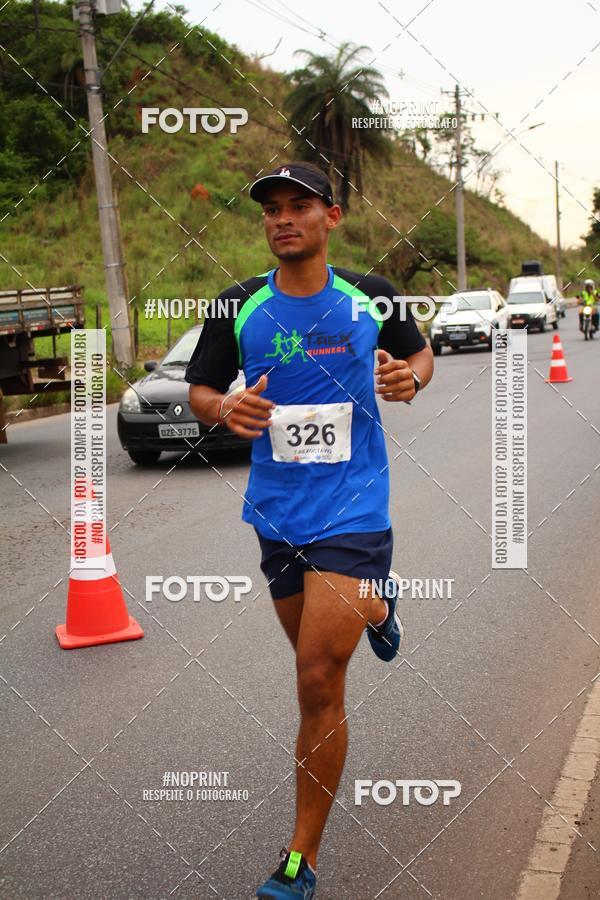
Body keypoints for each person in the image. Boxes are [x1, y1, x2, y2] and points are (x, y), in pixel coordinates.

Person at [185, 161, 434, 899]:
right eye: (272, 210)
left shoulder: (371, 297)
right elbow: (200, 389)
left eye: (300, 205)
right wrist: (223, 409)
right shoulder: (238, 306)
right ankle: (380, 606)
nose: (283, 219)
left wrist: (410, 378)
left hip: (355, 506)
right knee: (309, 659)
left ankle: (301, 857)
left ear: (332, 216)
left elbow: (418, 354)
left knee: (318, 677)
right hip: (276, 510)